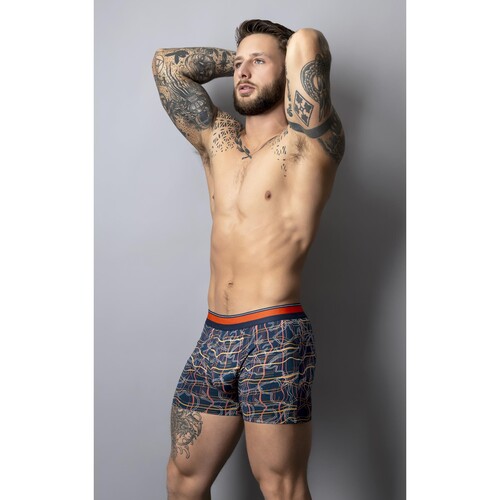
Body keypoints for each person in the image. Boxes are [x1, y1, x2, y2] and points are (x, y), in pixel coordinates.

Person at [152, 18, 345, 500]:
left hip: (275, 335)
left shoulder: (309, 144)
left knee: (280, 486)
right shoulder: (219, 140)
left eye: (258, 62)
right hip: (215, 333)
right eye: (239, 64)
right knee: (183, 479)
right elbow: (166, 66)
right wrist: (244, 61)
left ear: (288, 70)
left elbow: (308, 41)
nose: (242, 71)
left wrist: (277, 56)